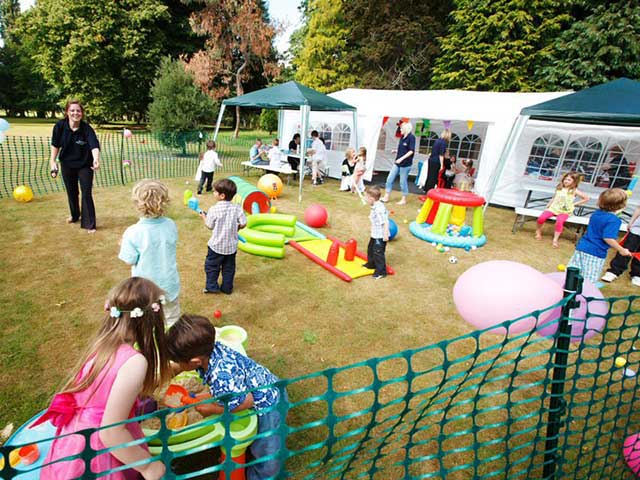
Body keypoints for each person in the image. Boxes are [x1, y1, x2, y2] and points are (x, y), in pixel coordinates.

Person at [35, 277, 171, 480]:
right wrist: (147, 467)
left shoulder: (102, 344)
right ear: (151, 320)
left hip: (76, 439)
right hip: (100, 449)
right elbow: (111, 433)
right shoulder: (135, 362)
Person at [167, 314, 287, 480]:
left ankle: (264, 476)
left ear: (195, 361)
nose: (178, 365)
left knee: (267, 451)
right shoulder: (211, 351)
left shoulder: (220, 374)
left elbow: (247, 400)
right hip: (261, 385)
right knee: (257, 443)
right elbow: (227, 389)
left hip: (270, 405)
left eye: (179, 361)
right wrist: (207, 396)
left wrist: (214, 408)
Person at [118, 180, 181, 326]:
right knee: (172, 320)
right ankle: (173, 345)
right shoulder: (171, 224)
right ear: (164, 202)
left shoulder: (132, 232)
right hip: (169, 285)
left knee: (146, 323)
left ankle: (149, 346)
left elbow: (129, 260)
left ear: (137, 204)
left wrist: (123, 244)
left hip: (145, 290)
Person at [49, 99, 100, 233]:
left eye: (78, 110)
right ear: (67, 112)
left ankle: (89, 224)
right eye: (72, 110)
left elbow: (94, 145)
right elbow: (55, 144)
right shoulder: (60, 126)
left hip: (85, 164)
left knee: (86, 192)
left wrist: (96, 159)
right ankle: (75, 215)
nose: (75, 113)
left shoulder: (86, 128)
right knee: (72, 192)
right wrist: (52, 161)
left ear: (82, 113)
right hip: (67, 164)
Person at [567, 188, 631, 284]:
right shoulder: (614, 220)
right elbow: (608, 238)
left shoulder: (596, 213)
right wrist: (621, 249)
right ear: (622, 205)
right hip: (595, 252)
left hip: (581, 247)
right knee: (589, 279)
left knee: (573, 273)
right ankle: (583, 296)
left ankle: (568, 290)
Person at [201, 178, 247, 294]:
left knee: (212, 267)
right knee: (229, 269)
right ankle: (227, 288)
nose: (213, 193)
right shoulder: (237, 208)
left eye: (215, 191)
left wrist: (204, 217)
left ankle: (211, 287)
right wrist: (237, 227)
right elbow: (243, 223)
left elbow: (209, 225)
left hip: (216, 247)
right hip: (231, 247)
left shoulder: (214, 209)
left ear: (222, 195)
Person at [535, 172, 590, 248]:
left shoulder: (574, 190)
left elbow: (586, 198)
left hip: (564, 211)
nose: (566, 181)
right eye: (565, 179)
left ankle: (555, 239)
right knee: (541, 218)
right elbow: (554, 197)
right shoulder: (559, 188)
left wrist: (574, 204)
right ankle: (538, 231)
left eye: (569, 180)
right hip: (553, 208)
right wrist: (548, 205)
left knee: (559, 221)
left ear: (574, 182)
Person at [602, 205, 640, 286]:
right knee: (626, 249)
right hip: (637, 229)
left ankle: (637, 274)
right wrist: (631, 222)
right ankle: (613, 271)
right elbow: (639, 208)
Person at [382, 122, 416, 205]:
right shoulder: (402, 137)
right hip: (397, 163)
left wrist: (401, 159)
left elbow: (411, 151)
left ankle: (403, 199)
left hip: (406, 164)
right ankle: (386, 196)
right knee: (389, 179)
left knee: (402, 182)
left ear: (406, 129)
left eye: (401, 128)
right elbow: (403, 149)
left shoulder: (411, 138)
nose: (400, 130)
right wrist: (396, 151)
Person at [362, 185, 390, 279]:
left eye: (366, 197)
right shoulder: (374, 205)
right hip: (375, 234)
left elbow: (385, 222)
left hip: (380, 235)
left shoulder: (379, 209)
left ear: (371, 198)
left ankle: (381, 272)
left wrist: (385, 235)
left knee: (378, 252)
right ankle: (371, 264)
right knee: (371, 249)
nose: (365, 199)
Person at [423, 130, 451, 195]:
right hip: (436, 161)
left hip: (431, 160)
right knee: (433, 177)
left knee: (429, 175)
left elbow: (433, 151)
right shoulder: (443, 143)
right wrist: (441, 165)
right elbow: (441, 155)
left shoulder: (437, 140)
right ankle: (429, 192)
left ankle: (426, 189)